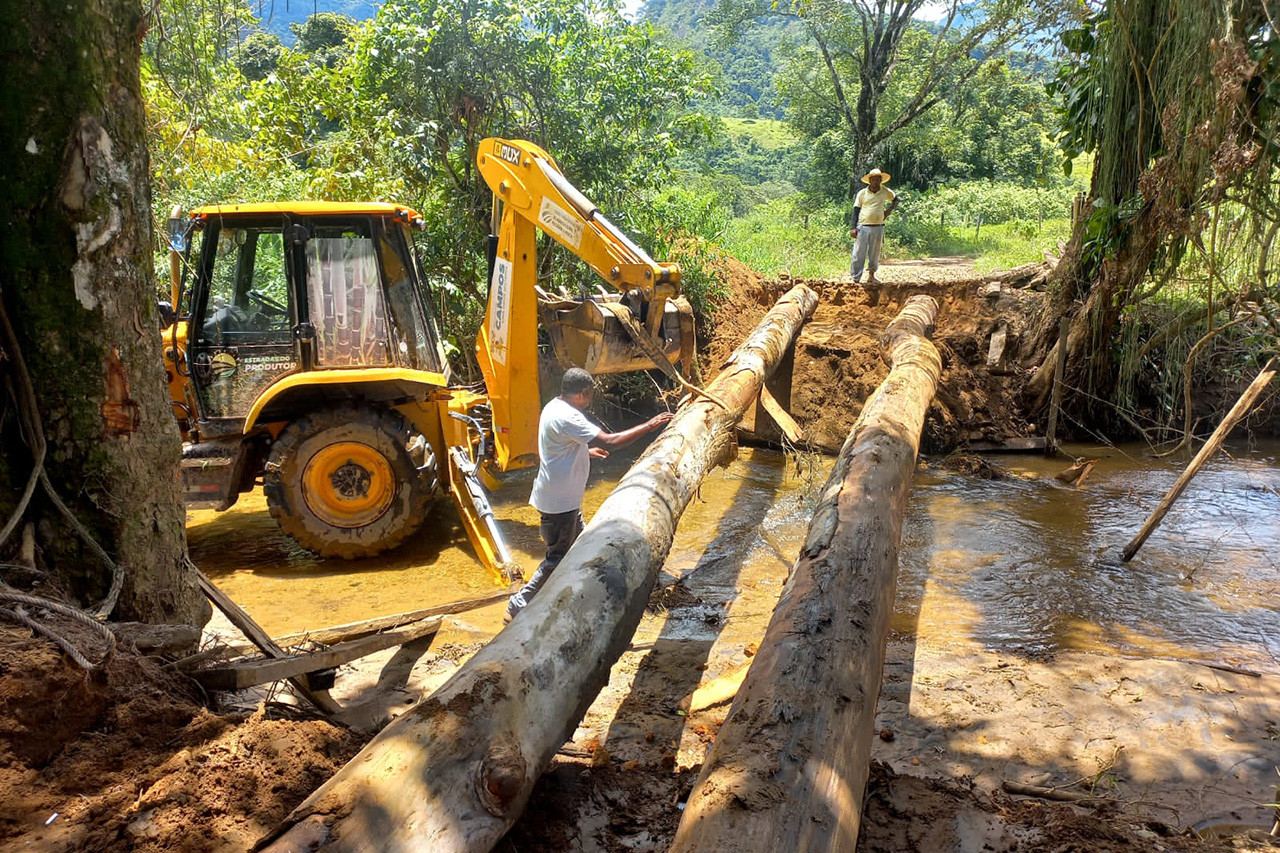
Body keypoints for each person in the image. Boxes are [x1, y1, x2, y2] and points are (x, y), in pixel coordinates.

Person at [505, 368, 674, 622]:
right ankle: (518, 604)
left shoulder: (554, 406)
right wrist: (650, 426)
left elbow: (560, 444)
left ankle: (568, 599)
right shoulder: (569, 416)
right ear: (584, 393)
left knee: (581, 547)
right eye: (591, 395)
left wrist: (585, 451)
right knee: (557, 558)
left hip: (560, 499)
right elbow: (611, 441)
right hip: (560, 504)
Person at [850, 167, 899, 286]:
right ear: (870, 180)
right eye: (874, 179)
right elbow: (856, 210)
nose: (876, 181)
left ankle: (871, 276)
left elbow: (896, 200)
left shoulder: (885, 191)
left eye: (879, 179)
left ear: (881, 180)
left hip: (878, 226)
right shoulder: (862, 193)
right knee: (858, 253)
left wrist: (888, 211)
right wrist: (853, 227)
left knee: (874, 253)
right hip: (863, 226)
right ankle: (856, 278)